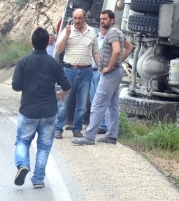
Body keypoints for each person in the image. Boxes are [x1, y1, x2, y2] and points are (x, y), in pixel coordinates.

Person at [12, 28, 71, 188]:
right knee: (44, 146)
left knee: (22, 141)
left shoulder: (23, 62)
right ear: (47, 43)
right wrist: (60, 93)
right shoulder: (54, 63)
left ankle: (23, 164)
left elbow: (16, 86)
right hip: (49, 111)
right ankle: (38, 179)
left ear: (32, 43)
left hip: (28, 110)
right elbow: (66, 86)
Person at [73, 10, 133, 146]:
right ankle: (112, 136)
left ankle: (88, 136)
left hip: (110, 74)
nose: (102, 21)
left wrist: (109, 66)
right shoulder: (118, 31)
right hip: (116, 72)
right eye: (100, 19)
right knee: (112, 106)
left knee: (97, 104)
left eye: (105, 19)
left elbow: (117, 50)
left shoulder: (112, 32)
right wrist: (118, 63)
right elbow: (129, 47)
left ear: (112, 20)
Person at [54, 9, 100, 139]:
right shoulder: (67, 30)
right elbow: (58, 49)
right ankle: (58, 129)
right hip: (70, 70)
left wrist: (101, 67)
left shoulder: (92, 32)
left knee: (82, 103)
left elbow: (95, 52)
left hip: (86, 71)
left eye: (80, 18)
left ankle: (77, 129)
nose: (77, 21)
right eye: (75, 18)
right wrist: (67, 35)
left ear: (85, 18)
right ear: (72, 18)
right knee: (64, 101)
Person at [89, 26, 109, 134]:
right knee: (93, 101)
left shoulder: (109, 40)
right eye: (101, 26)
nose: (103, 28)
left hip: (100, 72)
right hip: (91, 71)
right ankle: (95, 124)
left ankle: (103, 125)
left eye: (105, 27)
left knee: (101, 100)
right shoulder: (97, 39)